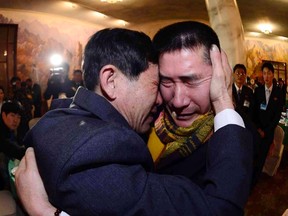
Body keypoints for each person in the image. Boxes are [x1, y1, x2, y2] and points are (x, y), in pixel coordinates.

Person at [16, 27, 252, 215]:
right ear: (111, 81)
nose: (174, 100)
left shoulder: (236, 139)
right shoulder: (110, 144)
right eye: (163, 82)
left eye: (191, 81)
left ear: (220, 76)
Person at [253, 62, 283, 182]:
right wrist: (258, 129)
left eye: (268, 73)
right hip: (257, 131)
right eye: (264, 73)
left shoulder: (279, 93)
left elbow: (277, 116)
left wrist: (266, 131)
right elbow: (253, 112)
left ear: (273, 75)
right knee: (254, 155)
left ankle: (255, 180)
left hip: (268, 133)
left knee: (262, 158)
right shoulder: (258, 91)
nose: (266, 76)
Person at [0, 100, 26, 190]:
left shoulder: (9, 129)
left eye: (18, 117)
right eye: (12, 115)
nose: (16, 120)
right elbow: (13, 149)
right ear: (3, 115)